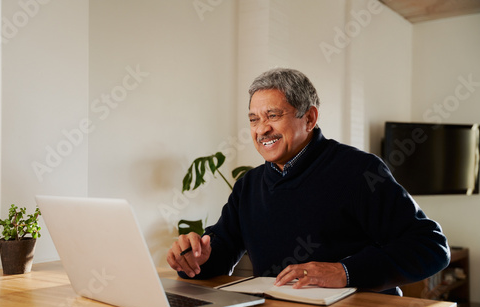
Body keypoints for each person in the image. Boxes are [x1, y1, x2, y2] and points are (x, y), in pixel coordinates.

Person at [167, 68, 450, 295]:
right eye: (254, 119)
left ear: (310, 118)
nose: (261, 129)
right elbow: (221, 251)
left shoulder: (360, 170)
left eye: (273, 116)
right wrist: (196, 259)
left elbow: (431, 247)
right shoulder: (248, 185)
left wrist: (345, 272)